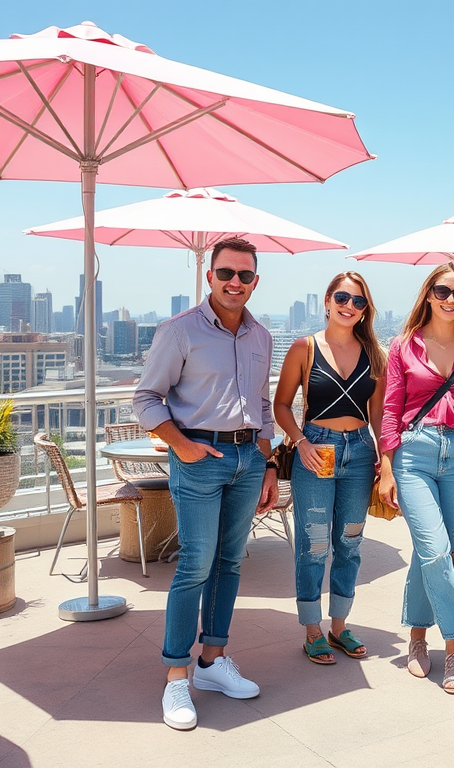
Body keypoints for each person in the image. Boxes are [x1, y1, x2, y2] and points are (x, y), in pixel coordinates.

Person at [134, 237, 278, 731]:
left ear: (255, 282)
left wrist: (266, 459)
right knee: (195, 564)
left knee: (230, 562)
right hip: (199, 458)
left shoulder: (262, 335)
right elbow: (146, 398)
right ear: (209, 276)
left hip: (247, 459)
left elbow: (263, 404)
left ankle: (213, 662)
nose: (234, 282)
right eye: (225, 273)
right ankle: (177, 676)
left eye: (244, 275)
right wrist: (182, 445)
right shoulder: (179, 331)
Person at [378, 262, 454, 694]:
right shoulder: (404, 346)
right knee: (435, 548)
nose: (450, 300)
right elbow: (391, 409)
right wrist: (387, 466)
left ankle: (416, 638)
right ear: (428, 294)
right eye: (443, 291)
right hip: (414, 454)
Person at [273, 272, 386, 665]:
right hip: (316, 449)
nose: (349, 306)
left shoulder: (374, 353)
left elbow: (379, 415)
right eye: (342, 297)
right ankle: (311, 631)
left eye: (358, 302)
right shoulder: (304, 348)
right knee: (314, 544)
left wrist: (384, 461)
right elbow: (282, 404)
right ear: (326, 299)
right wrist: (300, 442)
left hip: (358, 452)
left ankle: (339, 627)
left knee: (350, 542)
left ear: (365, 309)